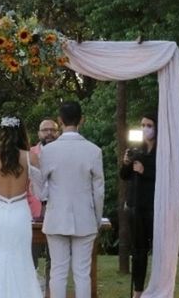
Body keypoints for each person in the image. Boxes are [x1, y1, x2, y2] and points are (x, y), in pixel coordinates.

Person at [41, 101, 105, 298]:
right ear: (82, 120)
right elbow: (99, 191)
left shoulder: (48, 151)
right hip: (85, 218)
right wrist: (97, 218)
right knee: (82, 274)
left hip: (56, 217)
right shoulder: (94, 151)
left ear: (60, 121)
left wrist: (48, 198)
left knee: (58, 273)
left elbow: (41, 188)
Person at [0, 116, 43, 298]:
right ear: (22, 133)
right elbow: (41, 193)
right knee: (22, 260)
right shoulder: (30, 158)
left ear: (2, 133)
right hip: (20, 213)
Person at [120, 112, 157, 298]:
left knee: (156, 250)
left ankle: (157, 286)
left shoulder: (161, 152)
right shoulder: (138, 151)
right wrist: (127, 163)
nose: (145, 129)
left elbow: (164, 176)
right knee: (138, 251)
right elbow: (124, 176)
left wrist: (145, 171)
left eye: (149, 125)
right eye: (142, 125)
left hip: (152, 207)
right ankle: (138, 290)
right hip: (135, 206)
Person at [28, 118, 59, 292]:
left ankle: (51, 290)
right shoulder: (30, 153)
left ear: (58, 132)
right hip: (33, 210)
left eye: (52, 130)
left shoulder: (64, 152)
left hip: (56, 209)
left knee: (53, 255)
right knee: (32, 251)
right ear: (39, 133)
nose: (49, 133)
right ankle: (32, 288)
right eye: (45, 130)